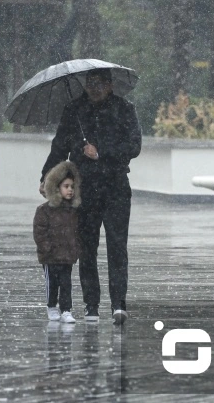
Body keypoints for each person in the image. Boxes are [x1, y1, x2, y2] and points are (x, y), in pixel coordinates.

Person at [40, 68, 141, 325]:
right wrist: (46, 176)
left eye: (99, 83)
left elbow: (134, 146)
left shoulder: (124, 109)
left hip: (116, 186)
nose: (94, 88)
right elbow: (59, 147)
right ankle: (91, 305)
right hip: (84, 189)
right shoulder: (74, 110)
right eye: (90, 83)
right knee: (86, 248)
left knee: (117, 246)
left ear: (110, 85)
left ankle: (119, 302)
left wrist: (102, 152)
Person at [33, 160, 81, 324]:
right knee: (52, 283)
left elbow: (76, 232)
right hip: (50, 256)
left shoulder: (73, 211)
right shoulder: (44, 211)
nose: (70, 190)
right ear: (57, 188)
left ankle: (66, 309)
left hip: (67, 255)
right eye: (66, 186)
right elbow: (40, 231)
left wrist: (75, 249)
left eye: (72, 187)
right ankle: (52, 306)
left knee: (66, 283)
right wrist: (47, 249)